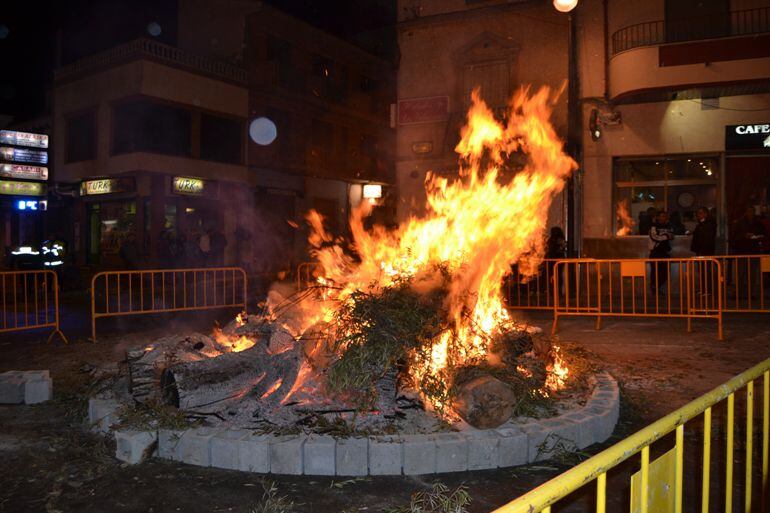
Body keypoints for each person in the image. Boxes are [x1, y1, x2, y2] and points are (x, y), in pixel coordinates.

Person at [649, 211, 674, 290]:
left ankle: (656, 287)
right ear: (658, 217)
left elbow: (672, 235)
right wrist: (666, 236)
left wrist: (666, 236)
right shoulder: (653, 226)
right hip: (655, 252)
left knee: (665, 273)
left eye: (665, 216)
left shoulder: (669, 226)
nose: (664, 218)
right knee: (655, 273)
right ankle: (654, 288)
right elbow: (654, 237)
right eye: (662, 216)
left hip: (665, 252)